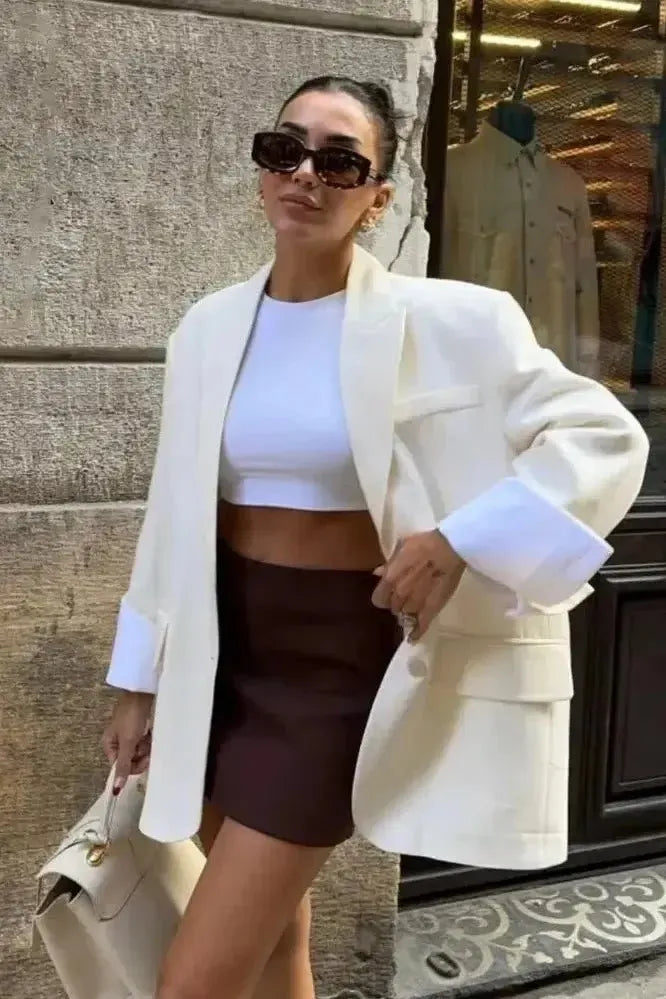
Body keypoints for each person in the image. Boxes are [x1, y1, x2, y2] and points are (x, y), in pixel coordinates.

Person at [101, 76, 649, 999]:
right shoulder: (207, 328)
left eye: (340, 161)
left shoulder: (454, 320)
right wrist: (137, 680)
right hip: (222, 653)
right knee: (275, 945)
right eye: (285, 149)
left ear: (379, 197)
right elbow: (173, 513)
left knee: (193, 982)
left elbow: (603, 436)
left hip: (336, 669)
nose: (306, 175)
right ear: (262, 168)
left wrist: (462, 537)